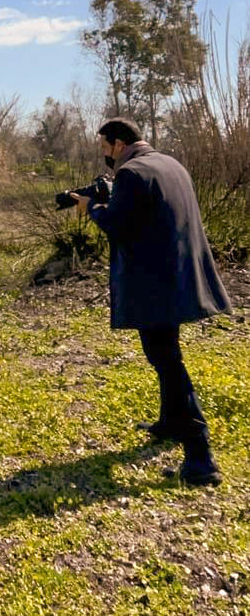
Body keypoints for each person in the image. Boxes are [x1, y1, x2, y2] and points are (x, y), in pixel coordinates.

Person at [72, 117, 232, 486]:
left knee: (166, 360)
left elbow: (116, 225)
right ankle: (169, 422)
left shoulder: (131, 173)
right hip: (180, 276)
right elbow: (146, 215)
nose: (105, 157)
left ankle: (200, 456)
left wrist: (91, 208)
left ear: (117, 143)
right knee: (166, 352)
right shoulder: (170, 164)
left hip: (156, 284)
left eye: (104, 148)